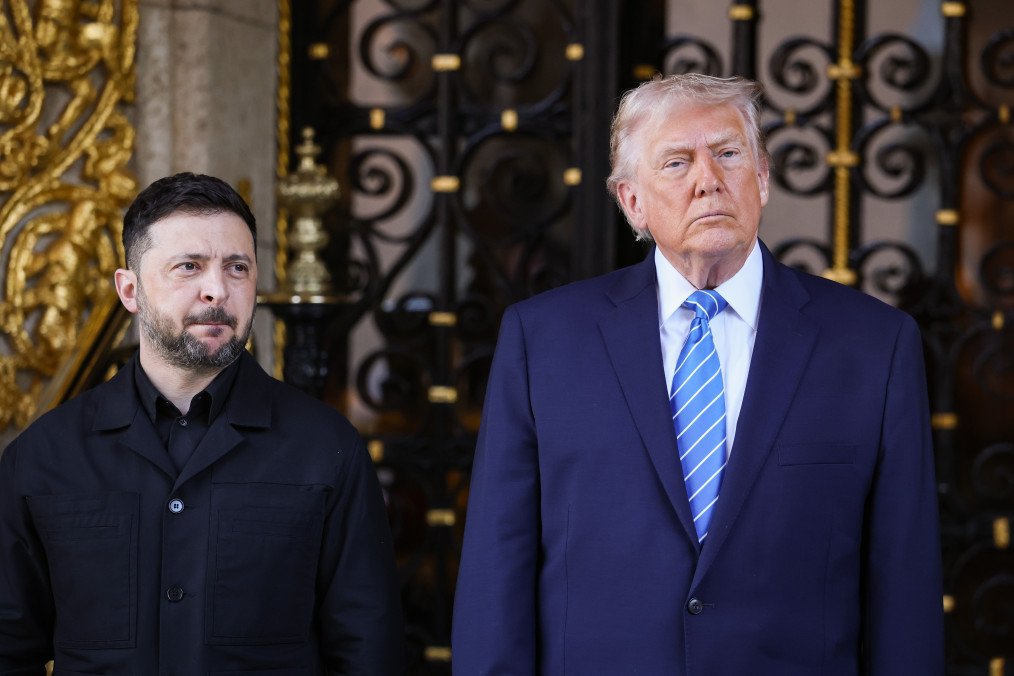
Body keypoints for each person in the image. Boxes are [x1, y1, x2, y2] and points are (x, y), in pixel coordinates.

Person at [452, 74, 943, 674]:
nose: (708, 180)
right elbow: (496, 565)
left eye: (729, 154)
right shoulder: (544, 340)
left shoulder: (873, 345)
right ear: (632, 200)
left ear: (762, 177)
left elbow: (904, 577)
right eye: (677, 162)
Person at [0, 173, 404, 674]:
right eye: (188, 267)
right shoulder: (43, 456)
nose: (217, 290)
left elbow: (369, 652)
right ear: (129, 290)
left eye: (237, 268)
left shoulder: (327, 449)